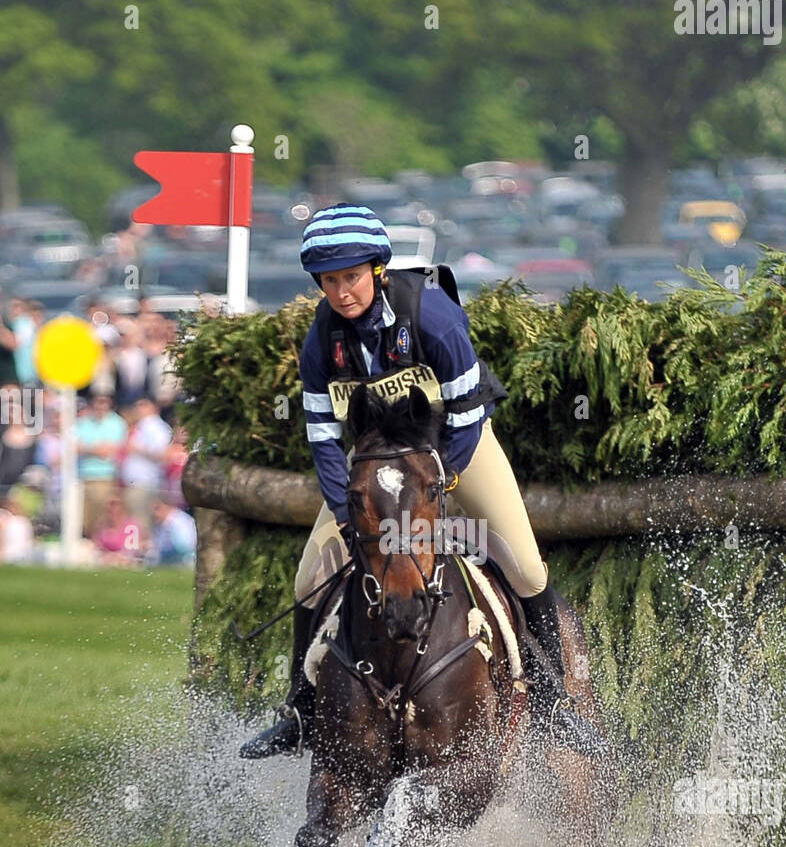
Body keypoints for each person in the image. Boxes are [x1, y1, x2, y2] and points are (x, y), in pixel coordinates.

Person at [241, 203, 603, 760]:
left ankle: (556, 702)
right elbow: (321, 438)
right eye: (330, 281)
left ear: (378, 270)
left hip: (458, 452)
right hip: (377, 475)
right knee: (308, 577)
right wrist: (344, 509)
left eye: (352, 277)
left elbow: (465, 412)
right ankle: (300, 711)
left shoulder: (432, 316)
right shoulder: (322, 341)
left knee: (525, 567)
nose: (342, 292)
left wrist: (444, 482)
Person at [76, 393, 127, 537]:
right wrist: (94, 449)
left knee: (99, 516)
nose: (100, 405)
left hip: (104, 477)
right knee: (81, 517)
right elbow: (73, 447)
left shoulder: (117, 424)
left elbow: (111, 451)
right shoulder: (83, 422)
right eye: (97, 401)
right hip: (82, 476)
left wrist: (87, 448)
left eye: (104, 402)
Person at [119, 397, 172, 522]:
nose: (139, 408)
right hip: (134, 484)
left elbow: (164, 454)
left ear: (154, 407)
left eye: (143, 405)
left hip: (145, 483)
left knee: (141, 523)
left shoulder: (156, 426)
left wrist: (138, 449)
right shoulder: (142, 425)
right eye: (137, 405)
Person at [148, 495, 196, 566]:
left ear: (167, 506)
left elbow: (185, 546)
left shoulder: (180, 521)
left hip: (185, 560)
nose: (155, 513)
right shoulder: (163, 522)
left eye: (157, 508)